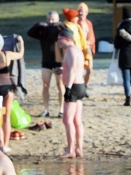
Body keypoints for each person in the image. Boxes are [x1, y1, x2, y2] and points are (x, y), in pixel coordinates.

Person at [0, 33, 24, 153]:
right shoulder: (7, 55)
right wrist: (21, 42)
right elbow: (21, 54)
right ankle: (5, 145)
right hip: (6, 88)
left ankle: (0, 143)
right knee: (6, 118)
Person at [27, 11, 64, 118]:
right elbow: (30, 33)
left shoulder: (60, 29)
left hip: (59, 61)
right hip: (46, 61)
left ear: (57, 19)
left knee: (60, 85)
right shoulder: (43, 30)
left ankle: (61, 110)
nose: (51, 22)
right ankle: (46, 109)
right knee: (45, 85)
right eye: (49, 19)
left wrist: (60, 24)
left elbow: (69, 32)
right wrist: (39, 24)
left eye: (53, 19)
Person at [58, 27, 86, 159]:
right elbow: (74, 68)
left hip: (73, 86)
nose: (58, 42)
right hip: (80, 86)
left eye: (59, 39)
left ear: (66, 39)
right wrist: (62, 70)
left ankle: (70, 150)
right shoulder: (77, 50)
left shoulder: (70, 51)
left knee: (67, 120)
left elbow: (73, 70)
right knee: (77, 120)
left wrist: (67, 88)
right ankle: (79, 149)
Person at [76, 3, 95, 87]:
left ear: (86, 12)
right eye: (79, 11)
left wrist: (89, 42)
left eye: (82, 11)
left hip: (87, 48)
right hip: (78, 49)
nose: (80, 13)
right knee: (78, 70)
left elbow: (92, 37)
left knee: (89, 69)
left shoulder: (89, 23)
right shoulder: (75, 22)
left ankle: (85, 85)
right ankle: (79, 86)